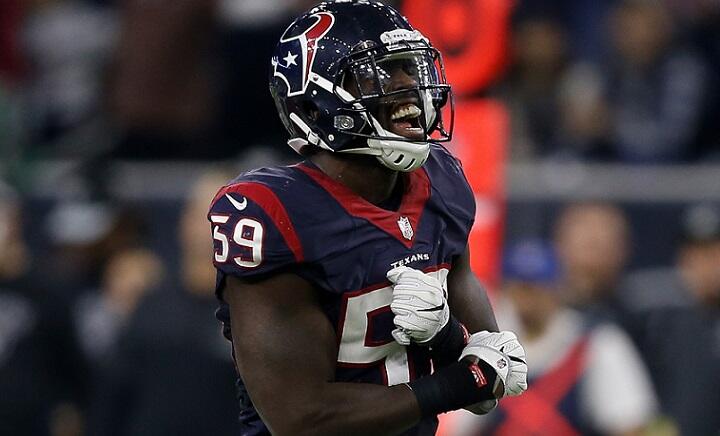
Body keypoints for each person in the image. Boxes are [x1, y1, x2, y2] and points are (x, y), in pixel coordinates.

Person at [207, 2, 528, 435]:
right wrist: (450, 387)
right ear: (317, 103)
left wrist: (445, 335)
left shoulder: (443, 183)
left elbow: (487, 378)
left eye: (409, 69)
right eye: (379, 73)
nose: (408, 88)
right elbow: (303, 418)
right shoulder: (275, 214)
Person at [450, 240, 658, 436]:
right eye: (520, 288)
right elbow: (455, 426)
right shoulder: (482, 346)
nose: (528, 300)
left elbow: (630, 422)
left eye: (536, 288)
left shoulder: (596, 344)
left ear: (557, 289)